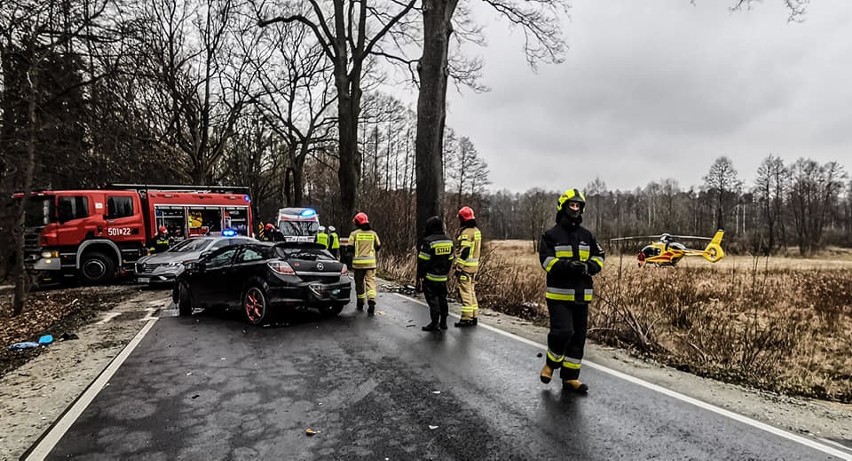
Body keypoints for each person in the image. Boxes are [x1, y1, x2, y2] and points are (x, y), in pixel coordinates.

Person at [538, 188, 605, 394]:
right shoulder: (551, 235)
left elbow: (600, 256)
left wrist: (589, 266)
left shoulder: (587, 235)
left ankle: (570, 378)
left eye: (578, 205)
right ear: (563, 207)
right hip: (558, 295)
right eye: (572, 205)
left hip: (581, 295)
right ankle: (550, 363)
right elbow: (546, 261)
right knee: (563, 332)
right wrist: (568, 266)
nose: (575, 209)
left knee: (578, 338)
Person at [416, 216, 454, 332]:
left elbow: (423, 261)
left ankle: (434, 323)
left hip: (430, 277)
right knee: (443, 299)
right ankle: (443, 322)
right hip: (443, 277)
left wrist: (420, 276)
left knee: (433, 301)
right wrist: (445, 272)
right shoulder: (449, 241)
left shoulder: (429, 242)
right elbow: (450, 259)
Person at [452, 206, 482, 327]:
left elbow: (464, 251)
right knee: (471, 291)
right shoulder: (476, 231)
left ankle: (466, 318)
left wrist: (458, 267)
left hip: (465, 268)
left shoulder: (466, 233)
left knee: (465, 292)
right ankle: (474, 316)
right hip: (474, 267)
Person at [348, 212, 381, 315]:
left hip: (358, 265)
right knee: (370, 282)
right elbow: (378, 246)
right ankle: (371, 301)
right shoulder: (373, 234)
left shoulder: (354, 234)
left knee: (359, 284)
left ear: (357, 223)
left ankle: (360, 303)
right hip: (370, 264)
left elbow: (349, 248)